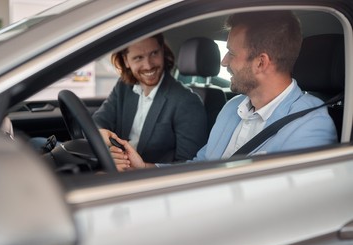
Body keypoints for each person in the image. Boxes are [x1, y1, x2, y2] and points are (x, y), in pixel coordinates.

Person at [109, 11, 338, 171]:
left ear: (261, 62)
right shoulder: (232, 108)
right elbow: (201, 167)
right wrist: (144, 168)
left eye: (231, 53)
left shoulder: (310, 127)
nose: (224, 62)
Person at [95, 33, 208, 163]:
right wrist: (102, 134)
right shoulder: (124, 87)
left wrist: (136, 168)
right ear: (126, 61)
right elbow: (98, 121)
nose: (148, 65)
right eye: (138, 58)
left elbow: (188, 165)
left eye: (154, 53)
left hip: (153, 179)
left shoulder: (186, 101)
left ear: (162, 52)